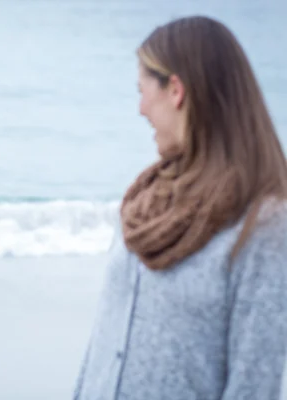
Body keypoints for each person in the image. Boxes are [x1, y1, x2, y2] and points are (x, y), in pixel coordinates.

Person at [74, 16, 287, 400]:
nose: (140, 109)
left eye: (143, 91)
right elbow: (103, 347)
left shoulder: (263, 224)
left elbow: (254, 383)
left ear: (175, 90)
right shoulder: (146, 198)